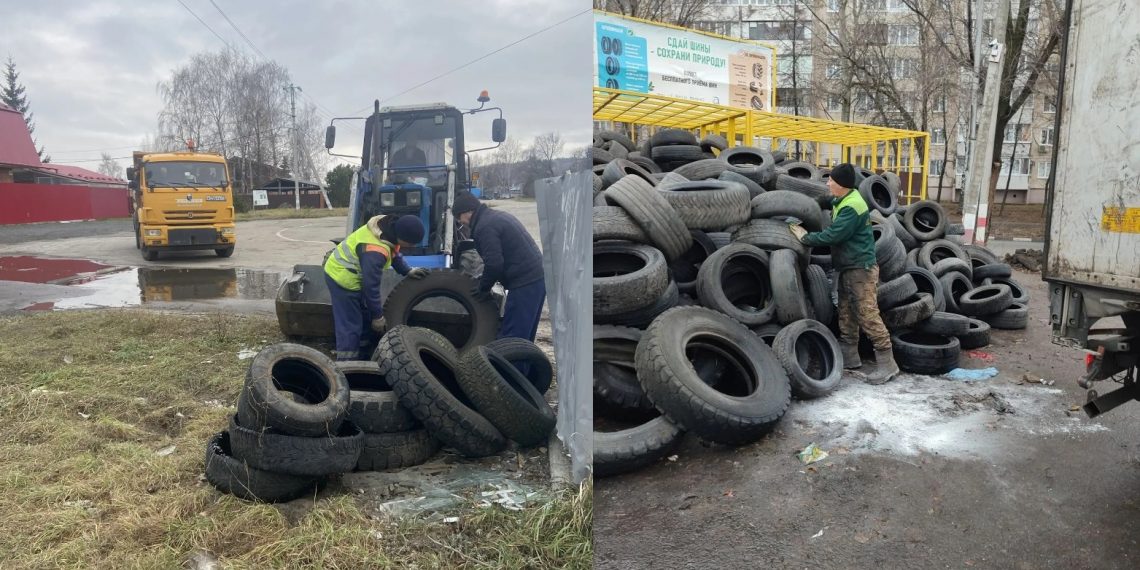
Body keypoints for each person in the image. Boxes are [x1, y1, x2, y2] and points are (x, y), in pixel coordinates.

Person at [791, 163, 899, 384]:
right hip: (848, 266)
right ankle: (850, 357)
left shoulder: (852, 207)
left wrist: (805, 238)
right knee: (847, 311)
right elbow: (828, 200)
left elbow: (833, 235)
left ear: (842, 185)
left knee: (866, 314)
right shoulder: (844, 198)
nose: (828, 183)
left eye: (831, 180)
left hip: (861, 268)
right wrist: (811, 204)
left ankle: (888, 364)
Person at [324, 214, 430, 360]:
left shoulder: (388, 227)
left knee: (364, 317)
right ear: (403, 237)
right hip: (342, 278)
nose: (412, 247)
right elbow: (371, 287)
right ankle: (346, 364)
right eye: (411, 244)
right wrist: (378, 317)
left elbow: (393, 251)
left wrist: (407, 270)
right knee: (350, 325)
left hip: (355, 273)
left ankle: (362, 353)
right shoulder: (374, 252)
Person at [451, 190, 546, 342]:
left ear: (468, 211)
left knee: (512, 339)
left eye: (459, 217)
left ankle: (516, 366)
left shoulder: (484, 227)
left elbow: (494, 264)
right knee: (524, 338)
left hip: (525, 283)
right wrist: (484, 279)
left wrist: (483, 288)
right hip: (535, 278)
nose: (460, 222)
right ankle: (526, 365)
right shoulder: (494, 216)